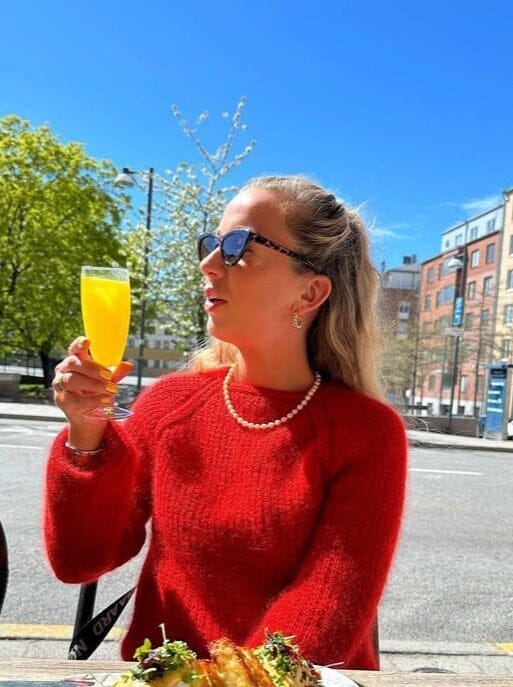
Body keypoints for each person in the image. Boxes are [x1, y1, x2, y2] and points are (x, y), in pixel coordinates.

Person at [44, 175, 407, 670]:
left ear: (310, 293)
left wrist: (226, 681)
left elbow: (325, 615)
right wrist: (87, 436)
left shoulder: (366, 432)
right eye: (211, 244)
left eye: (240, 247)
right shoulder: (168, 405)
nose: (209, 263)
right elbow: (80, 562)